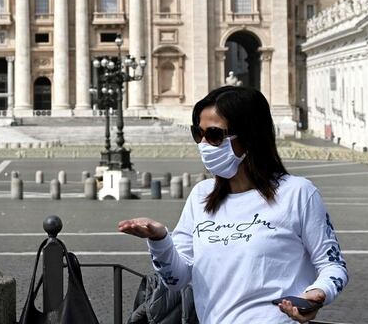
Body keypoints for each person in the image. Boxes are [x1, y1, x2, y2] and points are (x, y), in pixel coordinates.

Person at [119, 86, 348, 324]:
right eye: (198, 134)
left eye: (215, 135)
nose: (204, 144)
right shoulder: (201, 195)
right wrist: (159, 240)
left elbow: (333, 266)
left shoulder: (298, 193)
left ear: (250, 138)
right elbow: (176, 280)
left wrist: (318, 294)